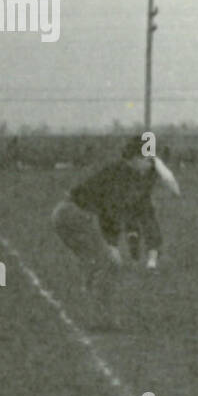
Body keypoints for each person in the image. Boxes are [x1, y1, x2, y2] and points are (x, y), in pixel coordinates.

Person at [51, 136, 159, 330]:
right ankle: (103, 320)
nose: (150, 164)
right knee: (109, 264)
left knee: (94, 265)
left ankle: (91, 311)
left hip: (66, 213)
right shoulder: (123, 174)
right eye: (147, 159)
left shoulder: (122, 171)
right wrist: (112, 245)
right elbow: (109, 210)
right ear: (134, 158)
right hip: (73, 215)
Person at [123, 155, 181, 270]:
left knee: (135, 226)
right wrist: (176, 190)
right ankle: (149, 260)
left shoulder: (130, 162)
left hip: (131, 198)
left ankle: (138, 256)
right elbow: (168, 177)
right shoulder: (153, 161)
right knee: (149, 226)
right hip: (140, 198)